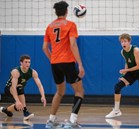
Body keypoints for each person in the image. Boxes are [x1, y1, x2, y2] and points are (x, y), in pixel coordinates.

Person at [43, 1, 85, 129]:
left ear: (56, 12)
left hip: (55, 63)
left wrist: (53, 59)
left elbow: (44, 48)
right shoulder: (71, 25)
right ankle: (72, 122)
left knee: (59, 92)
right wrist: (80, 64)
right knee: (79, 91)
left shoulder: (49, 26)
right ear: (67, 12)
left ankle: (51, 121)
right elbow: (72, 44)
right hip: (67, 62)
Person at [105, 33, 139, 120]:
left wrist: (126, 71)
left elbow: (138, 66)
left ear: (129, 42)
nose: (123, 43)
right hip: (131, 71)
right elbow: (127, 62)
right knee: (117, 87)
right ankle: (116, 110)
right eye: (122, 42)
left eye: (125, 41)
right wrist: (124, 75)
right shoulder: (123, 52)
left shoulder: (136, 50)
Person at [0, 55, 46, 121]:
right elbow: (13, 87)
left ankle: (5, 110)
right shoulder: (16, 71)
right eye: (26, 62)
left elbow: (39, 85)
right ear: (21, 63)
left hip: (19, 90)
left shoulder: (33, 72)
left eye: (29, 62)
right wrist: (17, 100)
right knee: (19, 88)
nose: (28, 64)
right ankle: (25, 112)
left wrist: (43, 96)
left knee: (19, 106)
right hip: (9, 89)